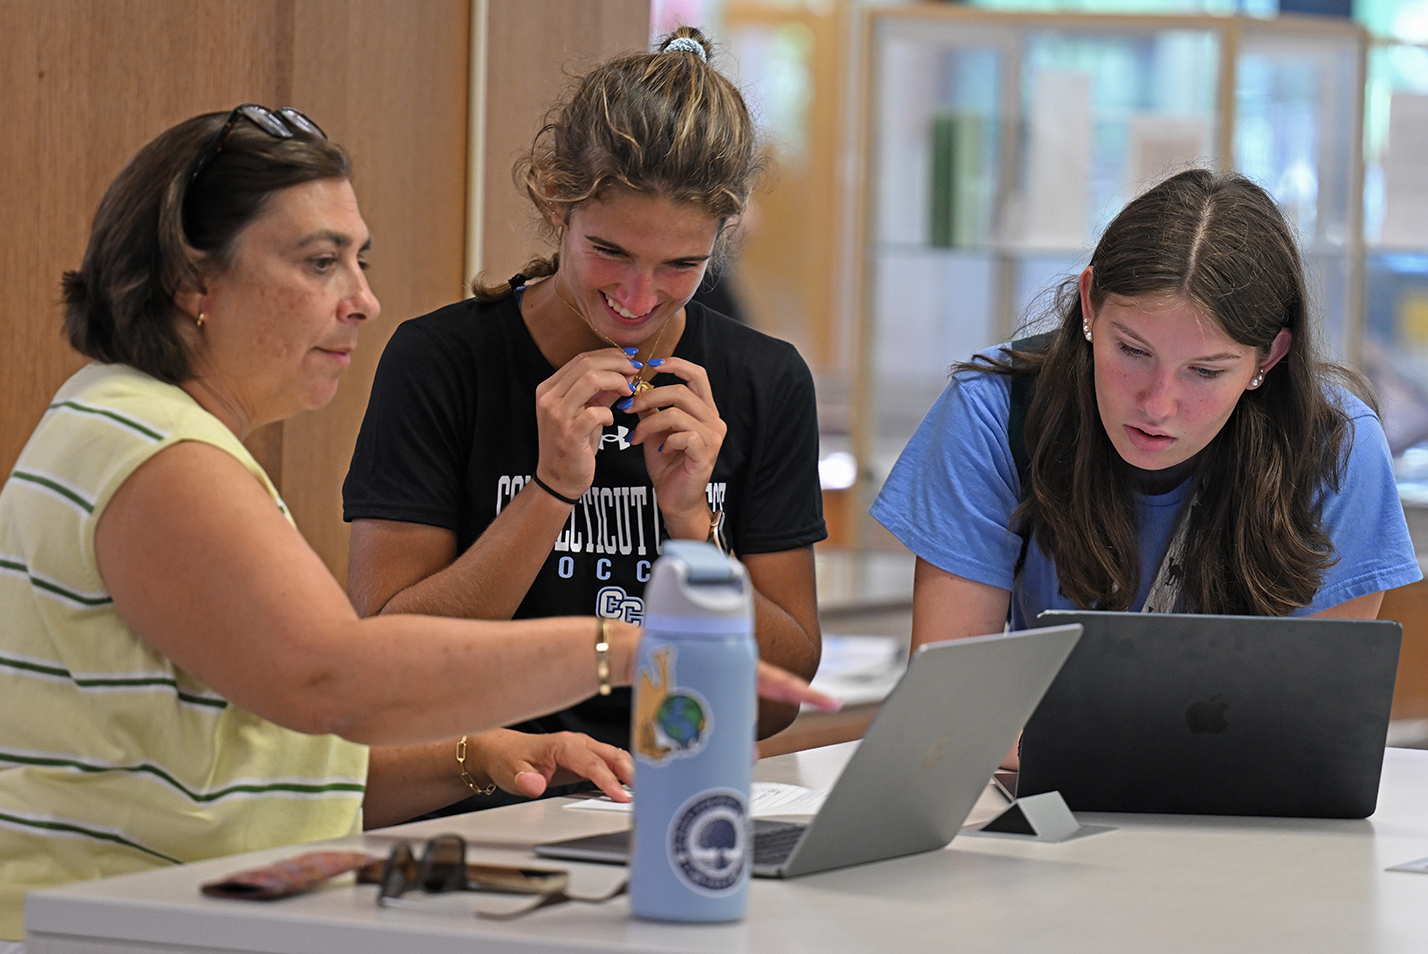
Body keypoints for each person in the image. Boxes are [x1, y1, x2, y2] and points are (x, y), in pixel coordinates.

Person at [0, 106, 833, 944]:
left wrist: (481, 754)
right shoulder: (156, 448)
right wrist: (626, 651)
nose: (363, 300)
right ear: (193, 281)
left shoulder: (146, 428)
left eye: (360, 261)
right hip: (112, 925)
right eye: (321, 263)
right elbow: (339, 682)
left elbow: (281, 754)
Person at [343, 27, 826, 813]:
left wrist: (691, 525)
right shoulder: (441, 362)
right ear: (556, 203)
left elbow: (773, 702)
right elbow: (390, 666)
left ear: (721, 241)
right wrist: (551, 492)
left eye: (680, 266)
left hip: (676, 801)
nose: (638, 299)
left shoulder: (763, 382)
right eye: (610, 252)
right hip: (485, 802)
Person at [871, 169, 1421, 662]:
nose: (1158, 404)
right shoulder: (993, 411)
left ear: (1269, 357)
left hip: (1232, 781)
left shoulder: (1333, 444)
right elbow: (960, 716)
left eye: (1205, 372)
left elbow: (1314, 727)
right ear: (1089, 304)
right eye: (1132, 351)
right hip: (1043, 778)